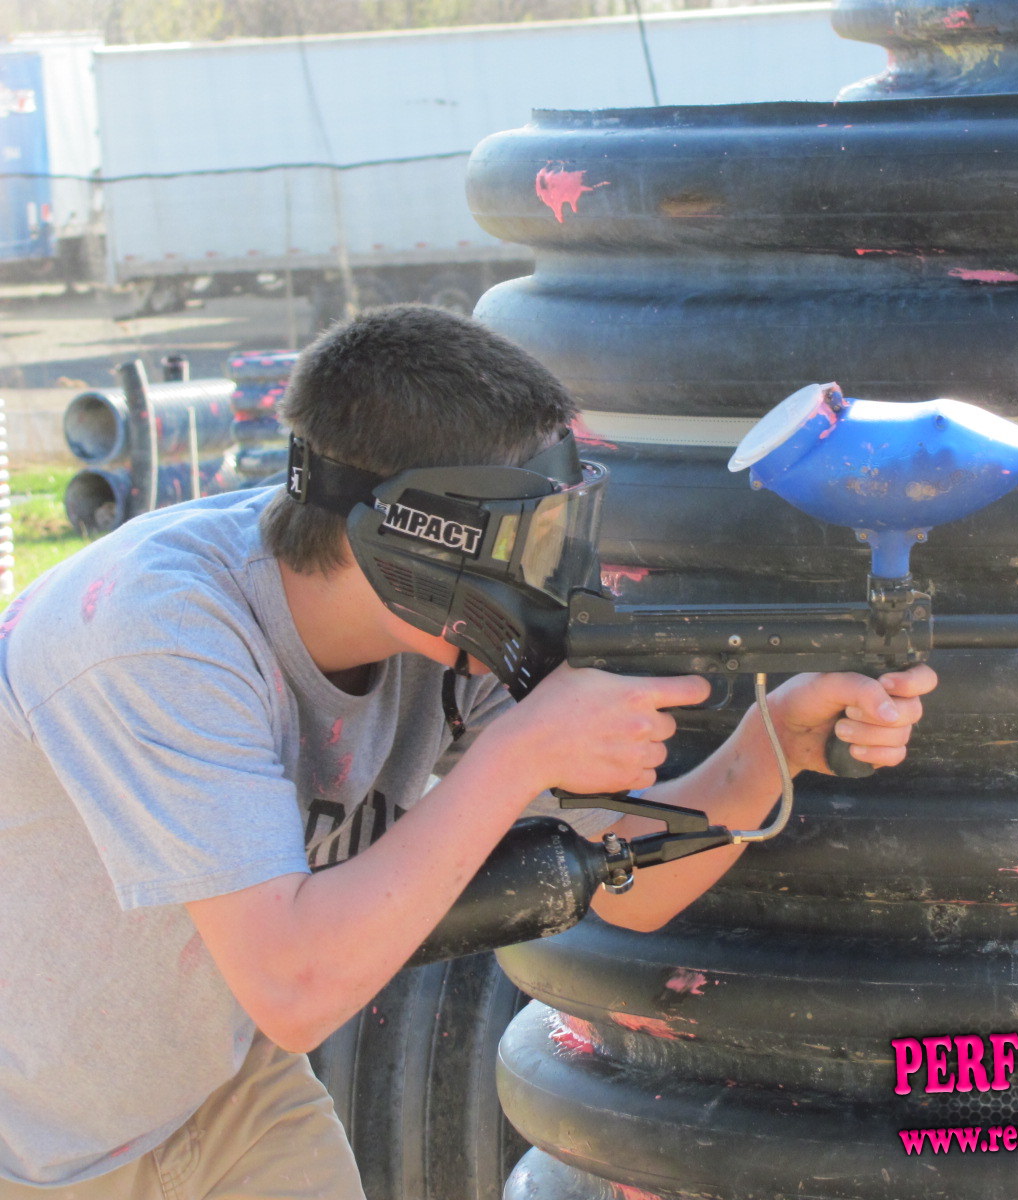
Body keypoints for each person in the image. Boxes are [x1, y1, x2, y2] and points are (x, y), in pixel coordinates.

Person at [0, 305, 936, 1197]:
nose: (550, 573)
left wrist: (774, 746)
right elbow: (296, 986)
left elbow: (629, 881)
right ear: (417, 536)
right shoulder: (158, 638)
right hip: (25, 1136)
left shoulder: (430, 633)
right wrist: (519, 753)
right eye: (525, 539)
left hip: (222, 1091)